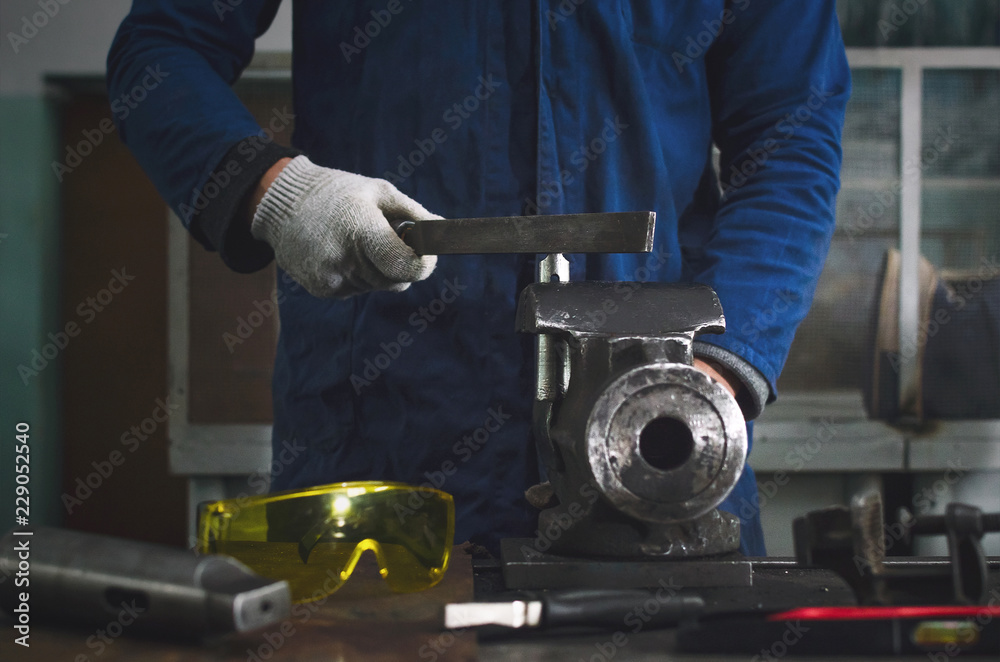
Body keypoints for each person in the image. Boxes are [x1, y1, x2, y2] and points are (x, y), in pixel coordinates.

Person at [108, 1, 850, 556]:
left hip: (658, 437)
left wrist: (717, 372)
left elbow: (791, 137)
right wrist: (272, 190)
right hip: (385, 431)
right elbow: (162, 46)